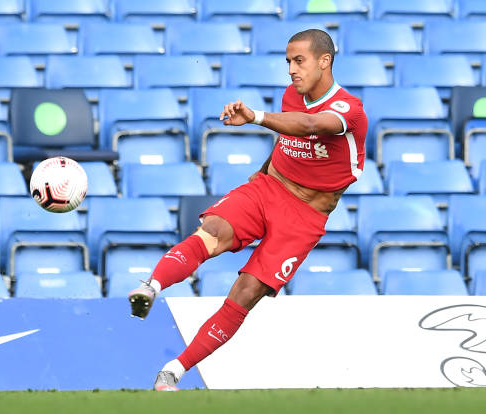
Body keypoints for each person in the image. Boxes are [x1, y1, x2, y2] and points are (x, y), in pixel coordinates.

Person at [128, 28, 368, 391]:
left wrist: (255, 116)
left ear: (325, 61)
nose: (291, 69)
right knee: (211, 233)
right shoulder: (292, 94)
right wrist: (259, 177)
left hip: (304, 217)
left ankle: (173, 370)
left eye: (298, 60)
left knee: (246, 292)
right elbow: (289, 138)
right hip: (268, 187)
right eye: (288, 61)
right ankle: (151, 286)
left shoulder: (348, 109)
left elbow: (308, 126)